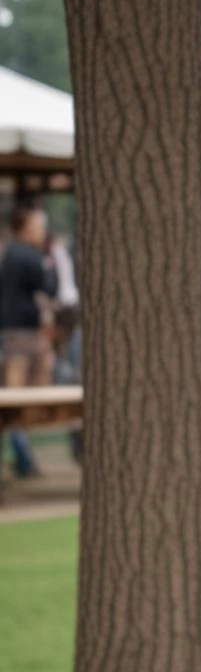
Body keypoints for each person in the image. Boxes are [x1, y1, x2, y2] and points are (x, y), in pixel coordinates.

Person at [0, 202, 58, 477]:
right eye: (38, 227)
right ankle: (23, 461)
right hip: (21, 337)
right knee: (17, 401)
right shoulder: (27, 255)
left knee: (15, 401)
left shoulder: (11, 254)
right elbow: (50, 287)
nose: (42, 232)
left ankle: (23, 460)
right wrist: (51, 259)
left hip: (15, 335)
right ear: (25, 228)